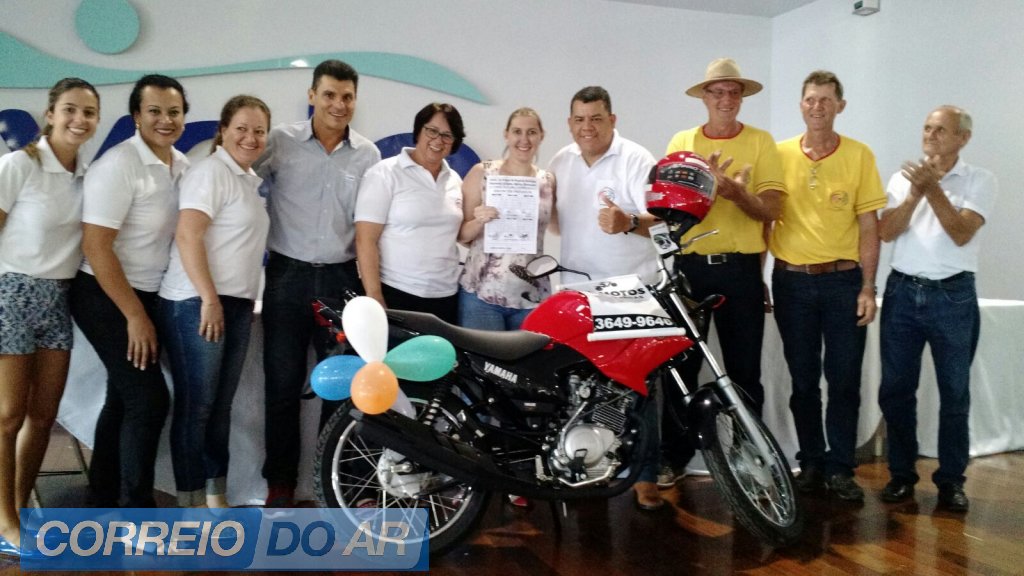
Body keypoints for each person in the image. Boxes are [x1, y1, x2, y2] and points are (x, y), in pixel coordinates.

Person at [254, 60, 381, 507]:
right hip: (286, 277)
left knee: (339, 388)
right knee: (282, 387)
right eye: (329, 94)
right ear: (312, 95)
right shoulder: (280, 141)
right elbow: (238, 177)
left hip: (341, 281)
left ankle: (333, 484)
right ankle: (280, 485)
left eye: (347, 96)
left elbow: (369, 228)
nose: (338, 104)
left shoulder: (368, 155)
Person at [659, 58, 786, 488]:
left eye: (733, 92)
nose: (726, 99)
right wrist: (704, 191)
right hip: (690, 268)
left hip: (740, 270)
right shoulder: (682, 141)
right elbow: (667, 207)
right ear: (705, 97)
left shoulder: (761, 142)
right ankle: (674, 457)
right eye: (718, 92)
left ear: (742, 97)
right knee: (681, 368)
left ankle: (749, 456)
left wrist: (736, 193)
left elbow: (772, 210)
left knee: (744, 371)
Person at [70, 74, 190, 509]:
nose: (165, 120)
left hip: (149, 294)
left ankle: (102, 494)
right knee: (149, 400)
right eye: (154, 111)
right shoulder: (119, 165)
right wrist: (135, 316)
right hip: (103, 294)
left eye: (174, 112)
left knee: (123, 397)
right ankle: (136, 511)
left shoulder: (182, 166)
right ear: (136, 116)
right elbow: (96, 246)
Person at [768, 71, 885, 502]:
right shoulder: (778, 154)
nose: (817, 107)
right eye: (810, 99)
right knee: (802, 380)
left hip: (843, 282)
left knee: (844, 380)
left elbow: (869, 226)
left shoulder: (859, 155)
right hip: (791, 282)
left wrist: (868, 287)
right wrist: (762, 277)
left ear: (840, 106)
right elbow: (766, 219)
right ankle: (812, 462)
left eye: (826, 100)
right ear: (801, 105)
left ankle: (840, 467)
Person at [547, 86, 662, 510]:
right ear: (569, 123)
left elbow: (663, 222)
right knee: (580, 390)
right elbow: (554, 221)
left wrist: (628, 221)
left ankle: (645, 476)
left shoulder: (637, 159)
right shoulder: (560, 161)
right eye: (579, 119)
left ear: (612, 120)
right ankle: (586, 469)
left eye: (596, 118)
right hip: (577, 295)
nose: (587, 127)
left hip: (632, 294)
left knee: (639, 388)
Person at [877, 106, 997, 513]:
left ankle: (951, 481)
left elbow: (961, 232)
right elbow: (886, 231)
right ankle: (901, 475)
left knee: (955, 393)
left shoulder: (980, 180)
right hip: (902, 292)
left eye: (941, 130)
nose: (930, 135)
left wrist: (932, 190)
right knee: (896, 389)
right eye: (927, 128)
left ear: (963, 138)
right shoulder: (902, 179)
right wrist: (915, 193)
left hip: (953, 296)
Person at [0, 78, 100, 554]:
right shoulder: (19, 165)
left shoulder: (88, 176)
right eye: (70, 110)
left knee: (42, 416)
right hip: (11, 294)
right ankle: (5, 521)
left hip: (58, 299)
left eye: (89, 112)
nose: (79, 120)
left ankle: (20, 508)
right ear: (50, 114)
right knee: (7, 416)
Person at [157, 95, 271, 508]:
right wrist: (208, 298)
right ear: (223, 130)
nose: (250, 137)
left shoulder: (248, 180)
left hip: (235, 304)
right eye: (241, 128)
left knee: (220, 407)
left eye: (259, 131)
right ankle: (189, 503)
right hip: (196, 302)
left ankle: (214, 492)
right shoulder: (210, 172)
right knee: (197, 406)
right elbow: (188, 235)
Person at [355, 102, 466, 323]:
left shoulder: (454, 179)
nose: (438, 140)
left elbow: (460, 234)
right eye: (432, 131)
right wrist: (375, 296)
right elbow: (365, 240)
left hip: (445, 297)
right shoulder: (385, 173)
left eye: (447, 135)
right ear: (418, 131)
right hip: (395, 292)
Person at [458, 107, 555, 330]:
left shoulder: (548, 181)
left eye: (531, 132)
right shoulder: (482, 173)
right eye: (517, 131)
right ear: (506, 134)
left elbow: (559, 226)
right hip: (481, 295)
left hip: (531, 296)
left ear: (541, 136)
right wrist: (479, 220)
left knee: (529, 355)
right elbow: (461, 235)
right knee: (482, 355)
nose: (524, 139)